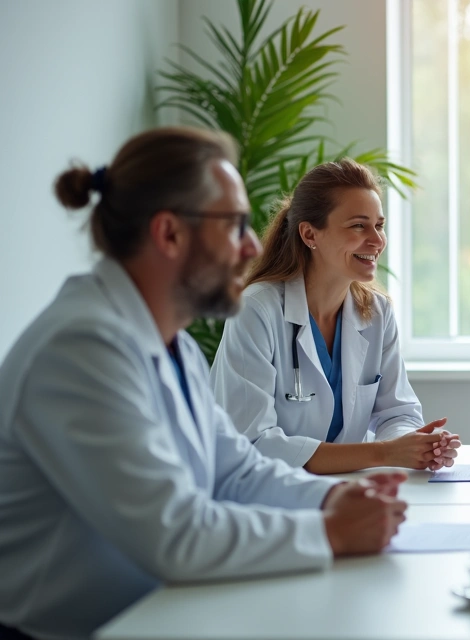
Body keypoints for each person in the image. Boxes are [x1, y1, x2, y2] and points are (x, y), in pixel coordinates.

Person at [0, 128, 408, 640]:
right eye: (235, 224)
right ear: (169, 234)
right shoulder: (82, 348)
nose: (253, 246)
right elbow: (175, 533)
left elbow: (235, 470)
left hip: (157, 612)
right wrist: (329, 531)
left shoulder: (173, 346)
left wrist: (330, 502)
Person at [210, 160, 459, 474]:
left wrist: (418, 444)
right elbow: (253, 442)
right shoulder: (257, 310)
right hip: (268, 500)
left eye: (379, 225)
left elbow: (397, 413)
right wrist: (384, 453)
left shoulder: (377, 312)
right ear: (310, 234)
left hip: (349, 492)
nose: (377, 241)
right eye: (358, 226)